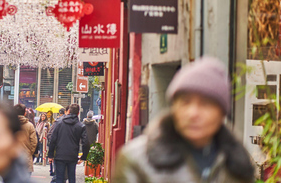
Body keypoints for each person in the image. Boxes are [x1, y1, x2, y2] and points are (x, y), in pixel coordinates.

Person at [112, 57, 255, 183]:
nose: (193, 113)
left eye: (205, 104)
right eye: (185, 102)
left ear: (222, 113)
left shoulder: (238, 167)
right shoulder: (137, 160)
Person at [48, 104, 88, 183]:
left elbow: (53, 139)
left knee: (59, 178)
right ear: (78, 113)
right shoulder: (80, 126)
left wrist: (50, 155)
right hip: (72, 155)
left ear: (68, 111)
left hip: (60, 155)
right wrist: (84, 157)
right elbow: (86, 142)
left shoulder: (59, 123)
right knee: (71, 177)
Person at [14, 104, 38, 175]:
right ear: (25, 113)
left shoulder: (9, 124)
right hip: (26, 156)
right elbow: (34, 142)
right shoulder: (30, 125)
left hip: (12, 158)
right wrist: (30, 152)